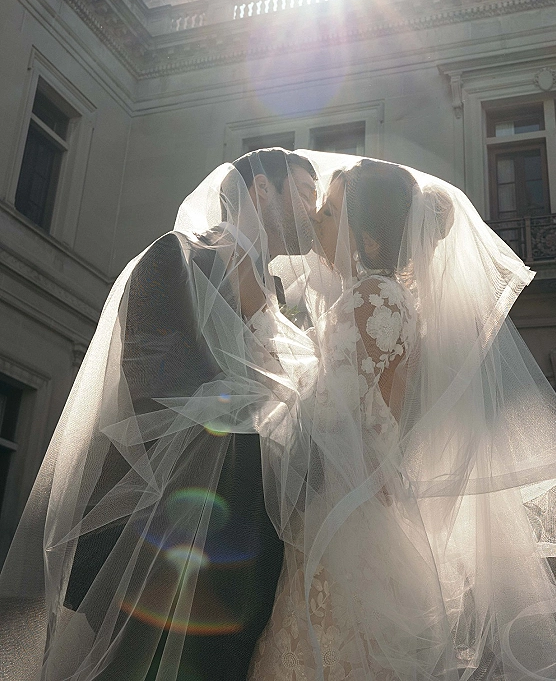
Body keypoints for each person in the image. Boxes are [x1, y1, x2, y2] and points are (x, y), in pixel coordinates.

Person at [249, 153, 556, 681]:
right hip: (368, 499)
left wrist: (262, 349)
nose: (316, 222)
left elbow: (327, 413)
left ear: (367, 236)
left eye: (330, 213)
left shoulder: (371, 297)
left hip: (347, 512)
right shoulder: (394, 297)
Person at [0, 148, 319, 681]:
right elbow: (153, 375)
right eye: (305, 195)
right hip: (158, 520)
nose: (313, 211)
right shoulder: (178, 256)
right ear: (262, 191)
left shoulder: (278, 292)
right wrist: (262, 410)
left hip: (251, 529)